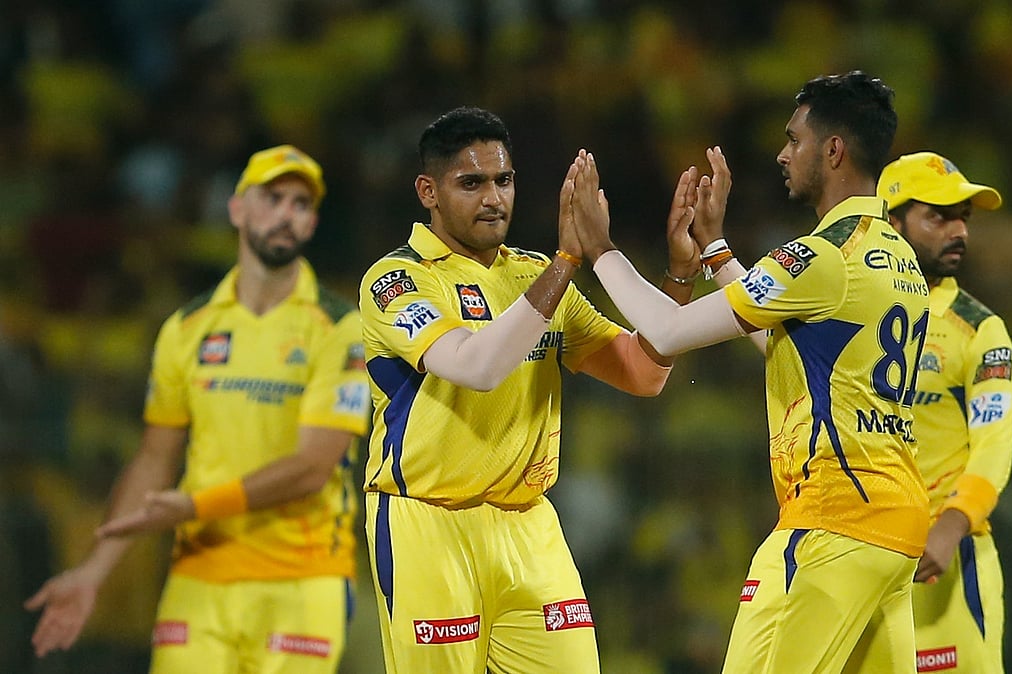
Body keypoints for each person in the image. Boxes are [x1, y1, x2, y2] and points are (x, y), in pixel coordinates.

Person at [569, 71, 930, 673]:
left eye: (794, 140)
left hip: (832, 521)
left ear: (834, 150)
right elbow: (794, 348)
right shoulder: (896, 257)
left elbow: (665, 333)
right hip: (893, 528)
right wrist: (716, 253)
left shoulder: (820, 256)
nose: (783, 154)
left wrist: (601, 249)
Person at [359, 106, 698, 674]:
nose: (493, 198)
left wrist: (680, 275)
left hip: (528, 522)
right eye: (471, 183)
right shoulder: (398, 279)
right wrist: (568, 260)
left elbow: (644, 374)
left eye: (504, 180)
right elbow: (477, 366)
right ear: (428, 191)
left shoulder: (532, 273)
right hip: (428, 524)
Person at [24, 145, 370, 674]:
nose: (287, 214)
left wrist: (192, 508)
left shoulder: (338, 326)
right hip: (199, 577)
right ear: (236, 209)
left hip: (301, 579)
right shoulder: (186, 329)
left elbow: (311, 468)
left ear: (314, 222)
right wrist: (94, 572)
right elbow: (154, 459)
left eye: (301, 204)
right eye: (273, 197)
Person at [877, 151, 1012, 673]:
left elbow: (994, 442)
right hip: (864, 557)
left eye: (965, 217)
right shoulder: (851, 315)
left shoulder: (979, 330)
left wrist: (953, 525)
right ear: (892, 224)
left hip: (948, 560)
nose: (958, 230)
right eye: (938, 216)